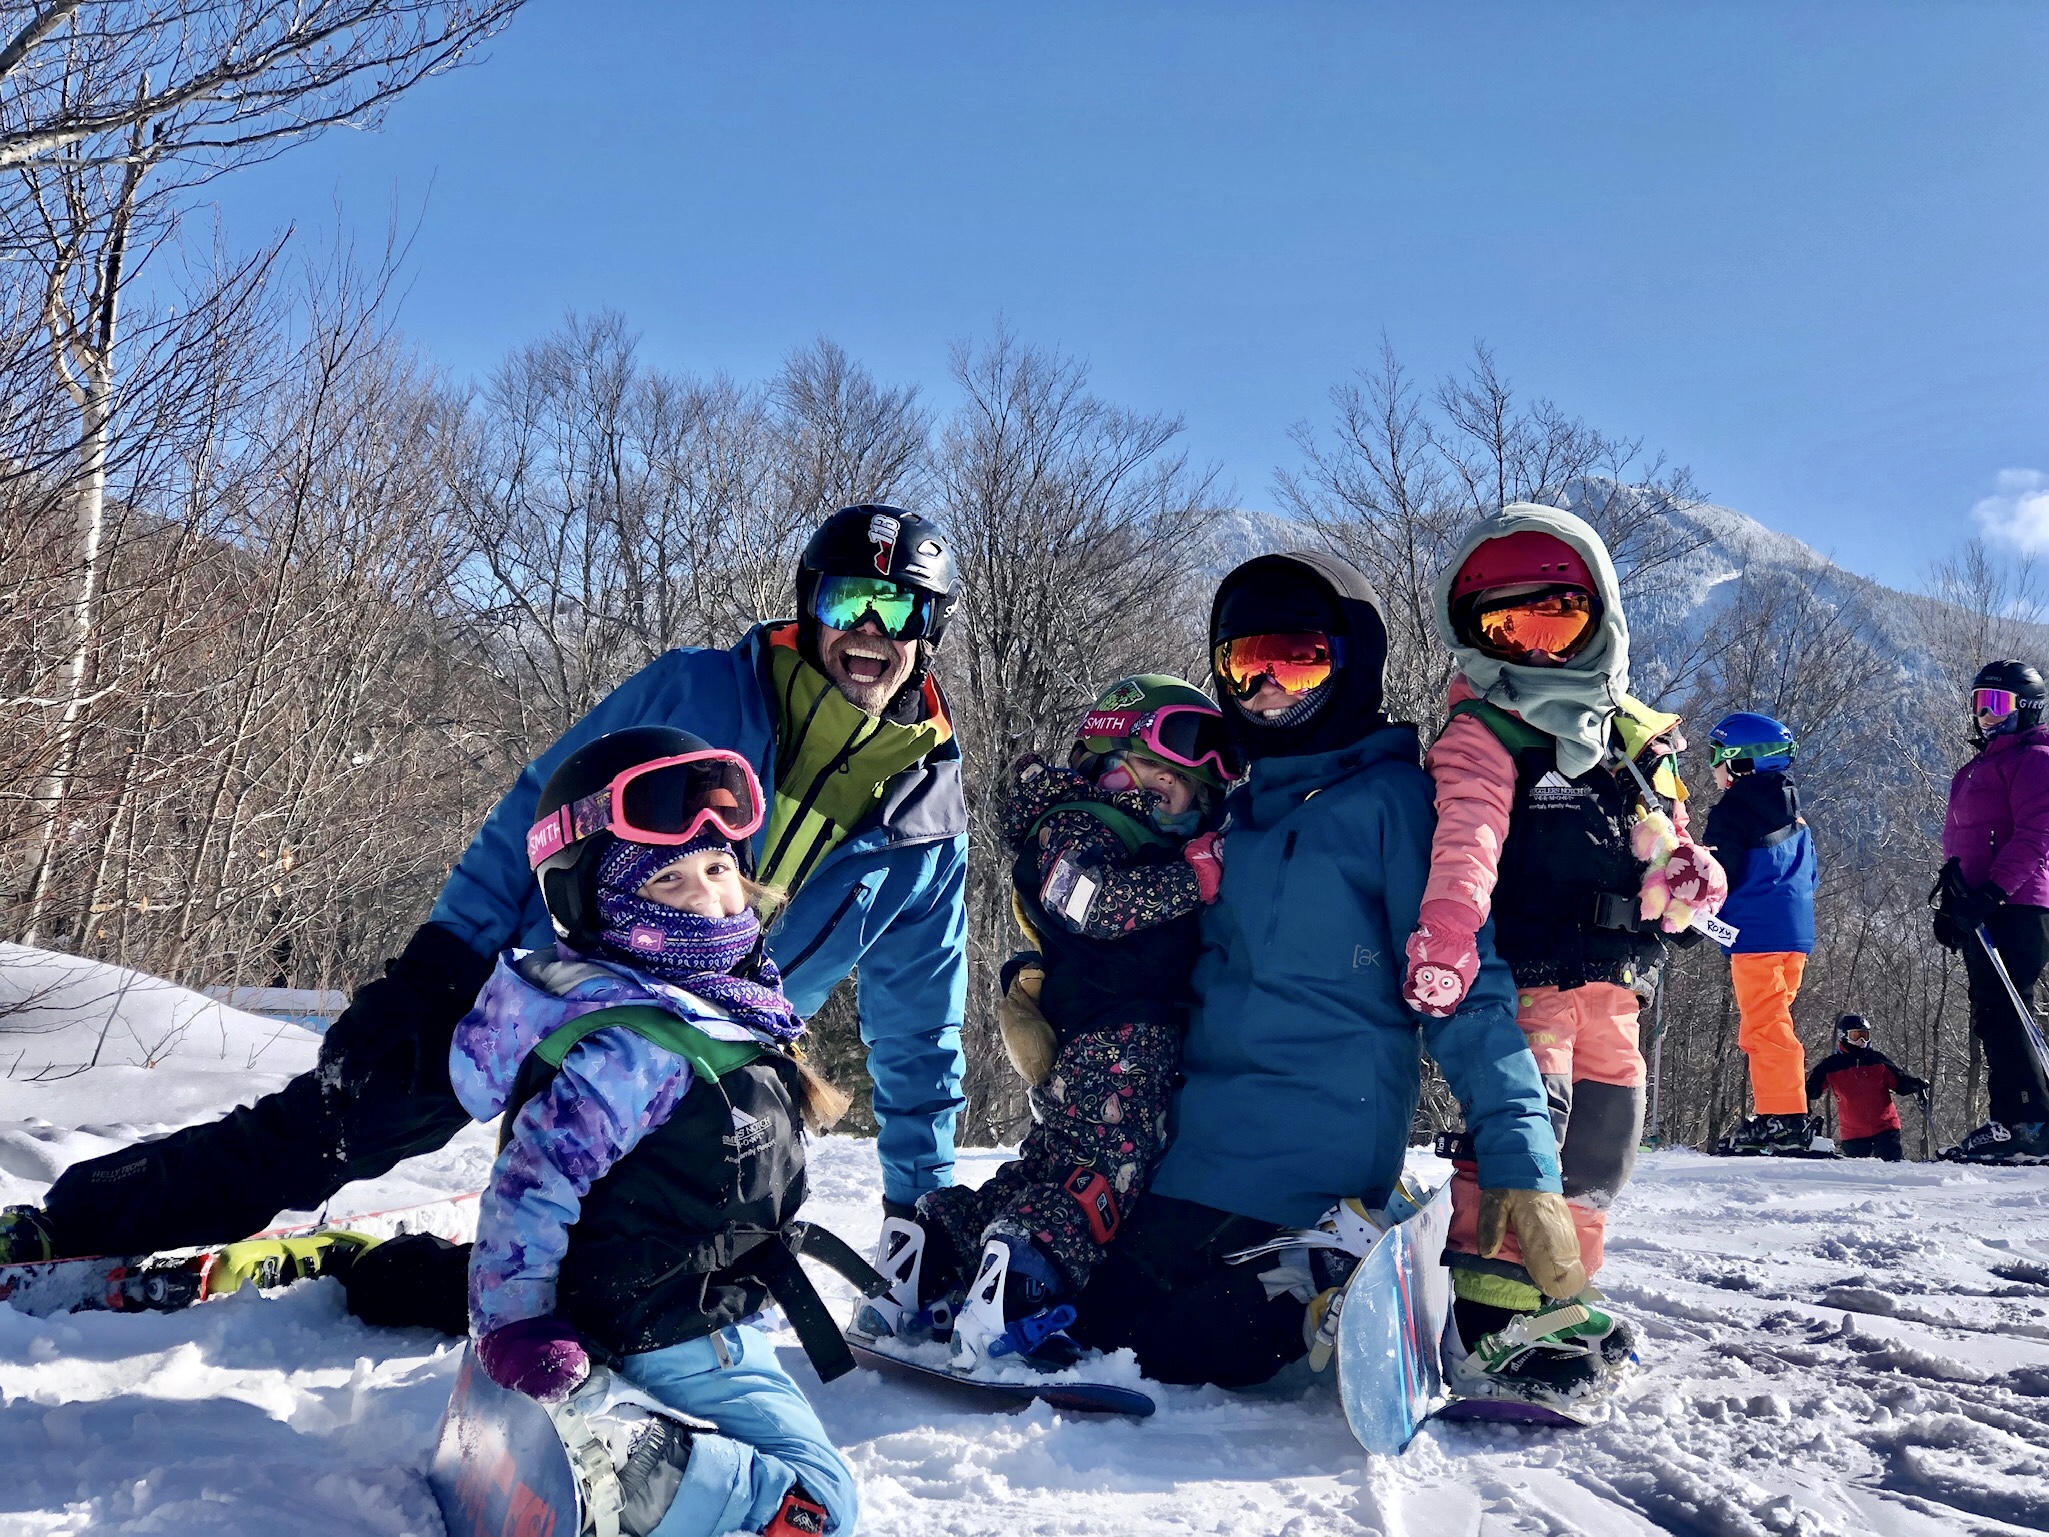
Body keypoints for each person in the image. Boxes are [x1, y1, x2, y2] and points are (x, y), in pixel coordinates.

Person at [0, 506, 972, 1315]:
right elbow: (535, 805)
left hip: (696, 1059)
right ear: (810, 604)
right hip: (539, 981)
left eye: (902, 608)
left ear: (927, 631)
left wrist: (917, 1206)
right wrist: (443, 958)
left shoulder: (927, 821)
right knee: (341, 1120)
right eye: (852, 597)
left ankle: (419, 1282)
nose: (872, 630)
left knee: (636, 1264)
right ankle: (73, 1223)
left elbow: (919, 1032)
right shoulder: (698, 690)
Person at [1067, 551, 1577, 1393]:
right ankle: (1316, 1286)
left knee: (1196, 1343)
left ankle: (1336, 1276)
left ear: (1352, 662)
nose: (1265, 687)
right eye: (1244, 664)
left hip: (1310, 1168)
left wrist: (1522, 1157)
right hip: (1193, 1159)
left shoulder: (1394, 805)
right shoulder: (1235, 809)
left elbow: (1467, 990)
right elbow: (1140, 938)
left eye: (1296, 661)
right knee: (1098, 1325)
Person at [458, 726, 856, 1537]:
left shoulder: (723, 1004)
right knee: (817, 1508)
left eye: (718, 870)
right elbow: (531, 1186)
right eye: (671, 881)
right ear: (601, 904)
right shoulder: (639, 1042)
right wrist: (516, 1323)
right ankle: (617, 1449)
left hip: (678, 1316)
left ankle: (643, 1465)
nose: (709, 897)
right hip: (670, 1332)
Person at [1405, 504, 1726, 1407]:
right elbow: (1464, 840)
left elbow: (1669, 846)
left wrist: (1695, 876)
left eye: (1555, 621)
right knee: (1526, 1137)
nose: (1534, 650)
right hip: (1526, 978)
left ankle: (1557, 1292)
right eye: (1505, 628)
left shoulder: (1632, 741)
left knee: (1601, 1148)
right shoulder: (1485, 730)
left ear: (1600, 621)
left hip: (1616, 988)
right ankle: (1487, 1314)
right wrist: (1448, 931)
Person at [855, 676, 1236, 1374]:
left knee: (1049, 1171)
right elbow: (1093, 902)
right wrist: (1196, 879)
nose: (1167, 790)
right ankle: (1017, 1298)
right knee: (1101, 1184)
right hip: (1120, 1043)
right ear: (1103, 752)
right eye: (1152, 770)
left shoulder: (1111, 830)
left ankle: (932, 1255)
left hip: (1091, 1047)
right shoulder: (1070, 823)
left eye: (1182, 784)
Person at [1932, 660, 2049, 1163]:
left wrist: (1994, 893)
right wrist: (1952, 899)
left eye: (1996, 705)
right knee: (1991, 1010)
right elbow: (1967, 842)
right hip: (1983, 902)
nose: (1984, 716)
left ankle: (2026, 1121)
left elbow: (2037, 835)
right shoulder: (1983, 763)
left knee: (2005, 1008)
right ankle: (2018, 1118)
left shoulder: (2034, 759)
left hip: (2017, 904)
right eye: (1979, 704)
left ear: (2026, 708)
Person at [1701, 712, 1820, 1156]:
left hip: (1754, 934)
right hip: (1794, 935)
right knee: (1768, 1022)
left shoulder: (1733, 812)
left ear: (1742, 762)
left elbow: (1717, 875)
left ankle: (1784, 1118)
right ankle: (1777, 1110)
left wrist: (1686, 918)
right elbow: (1810, 875)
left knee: (1766, 1026)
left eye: (1717, 754)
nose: (1712, 765)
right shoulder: (1795, 814)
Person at [1806, 1015, 1926, 1162]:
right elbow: (1812, 1090)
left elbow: (1900, 1084)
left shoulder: (1877, 1060)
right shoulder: (1831, 1065)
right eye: (1856, 1036)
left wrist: (1916, 1084)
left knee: (1891, 1168)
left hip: (1885, 1128)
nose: (1862, 1041)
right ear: (1844, 1036)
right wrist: (1803, 1102)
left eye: (1865, 1036)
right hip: (1853, 1134)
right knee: (1860, 1176)